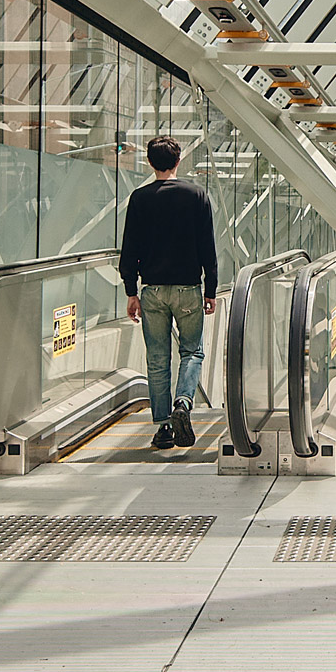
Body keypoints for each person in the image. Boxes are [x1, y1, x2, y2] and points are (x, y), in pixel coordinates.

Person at [119, 135, 218, 449]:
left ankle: (163, 427)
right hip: (189, 287)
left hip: (153, 291)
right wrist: (211, 289)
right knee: (192, 352)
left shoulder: (139, 198)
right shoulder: (196, 195)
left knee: (157, 358)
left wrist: (131, 291)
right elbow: (208, 248)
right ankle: (183, 404)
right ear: (178, 161)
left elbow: (129, 249)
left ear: (151, 163)